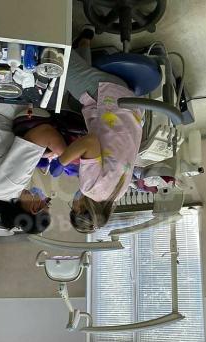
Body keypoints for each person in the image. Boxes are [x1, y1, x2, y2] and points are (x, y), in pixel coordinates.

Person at [50, 27, 143, 233]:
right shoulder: (90, 189)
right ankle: (48, 26)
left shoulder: (117, 194)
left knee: (76, 98)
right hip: (108, 96)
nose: (74, 202)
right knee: (55, 60)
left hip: (130, 105)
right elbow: (90, 142)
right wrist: (60, 162)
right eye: (73, 207)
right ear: (81, 209)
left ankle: (83, 43)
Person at [0, 108, 66, 233]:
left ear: (35, 208)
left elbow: (45, 132)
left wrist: (66, 157)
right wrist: (42, 154)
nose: (44, 197)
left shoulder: (13, 184)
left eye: (46, 203)